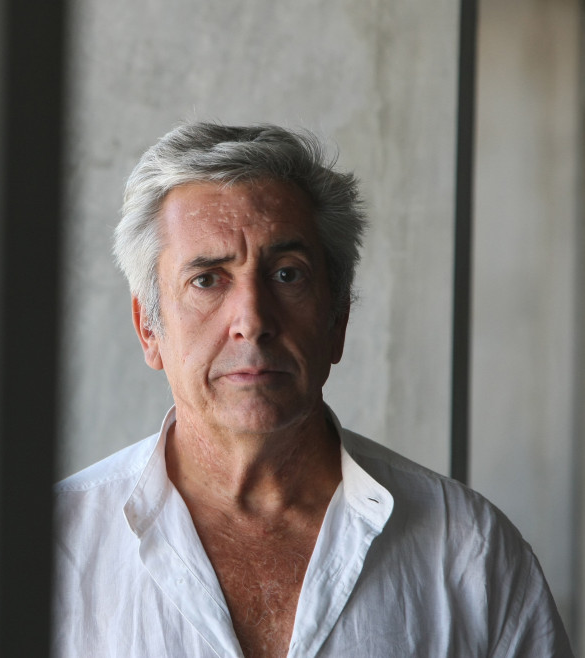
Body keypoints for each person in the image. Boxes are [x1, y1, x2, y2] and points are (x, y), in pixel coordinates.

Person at [52, 122, 573, 657]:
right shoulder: (51, 551)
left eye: (287, 275)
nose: (252, 321)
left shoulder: (471, 554)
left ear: (338, 318)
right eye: (207, 279)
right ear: (148, 328)